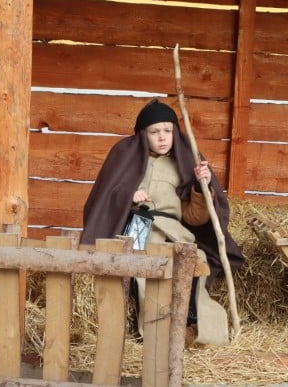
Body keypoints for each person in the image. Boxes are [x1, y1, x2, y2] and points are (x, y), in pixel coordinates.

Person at [81, 99, 244, 346]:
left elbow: (194, 217)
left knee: (195, 265)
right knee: (145, 271)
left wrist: (202, 186)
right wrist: (128, 196)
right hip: (140, 229)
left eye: (168, 131)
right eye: (154, 132)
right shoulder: (125, 158)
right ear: (142, 134)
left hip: (175, 232)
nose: (162, 138)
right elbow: (105, 196)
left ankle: (203, 333)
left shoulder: (184, 162)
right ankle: (156, 336)